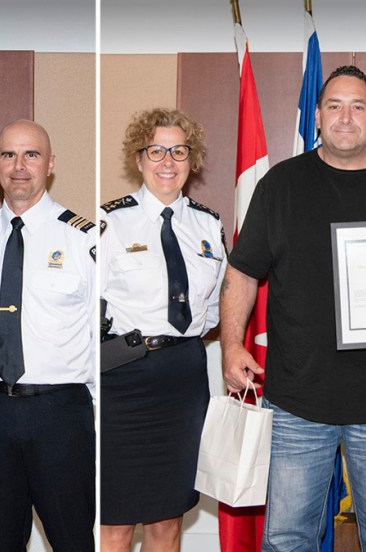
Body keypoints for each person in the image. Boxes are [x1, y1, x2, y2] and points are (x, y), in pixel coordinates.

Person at [220, 65, 366, 551]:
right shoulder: (280, 185)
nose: (345, 117)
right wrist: (229, 346)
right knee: (287, 538)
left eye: (357, 106)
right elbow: (242, 272)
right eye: (334, 106)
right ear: (318, 116)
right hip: (296, 402)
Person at [0, 119, 96, 551]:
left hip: (61, 414)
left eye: (31, 154)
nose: (19, 166)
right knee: (1, 543)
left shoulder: (83, 242)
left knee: (72, 541)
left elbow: (98, 337)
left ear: (50, 164)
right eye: (9, 155)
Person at [99, 108, 225, 551]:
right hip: (122, 380)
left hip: (184, 378)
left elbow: (210, 312)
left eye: (179, 150)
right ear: (139, 158)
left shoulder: (209, 226)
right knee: (113, 521)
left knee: (167, 520)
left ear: (193, 160)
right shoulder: (108, 223)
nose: (167, 161)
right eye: (156, 150)